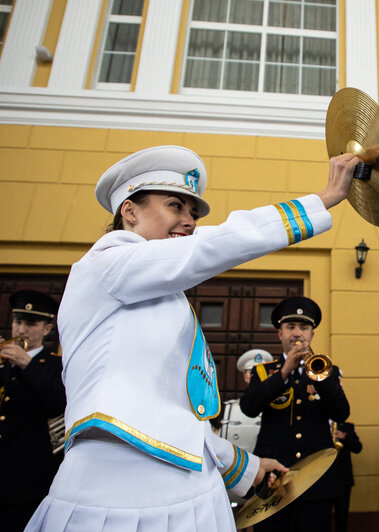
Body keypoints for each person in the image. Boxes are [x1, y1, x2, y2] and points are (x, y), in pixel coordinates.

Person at [26, 145, 360, 531]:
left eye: (193, 212)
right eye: (175, 206)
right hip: (117, 489)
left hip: (188, 493)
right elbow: (209, 247)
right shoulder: (105, 264)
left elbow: (172, 417)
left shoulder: (163, 296)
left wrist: (246, 468)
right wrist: (323, 199)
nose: (189, 221)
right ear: (129, 212)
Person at [240, 296, 351, 532]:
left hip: (315, 480)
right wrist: (283, 373)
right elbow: (248, 408)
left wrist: (319, 378)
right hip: (272, 480)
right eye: (290, 327)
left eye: (304, 327)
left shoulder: (327, 370)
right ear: (280, 334)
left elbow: (342, 412)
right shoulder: (263, 372)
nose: (297, 334)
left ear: (312, 334)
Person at [0, 290, 65, 531]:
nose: (22, 330)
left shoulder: (55, 365)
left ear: (47, 329)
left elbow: (56, 404)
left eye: (31, 323)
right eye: (18, 322)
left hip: (26, 480)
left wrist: (27, 364)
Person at [330, 420, 362, 532]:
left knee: (342, 517)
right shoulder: (319, 423)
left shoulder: (348, 426)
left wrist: (344, 437)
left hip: (343, 479)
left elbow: (358, 447)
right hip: (323, 480)